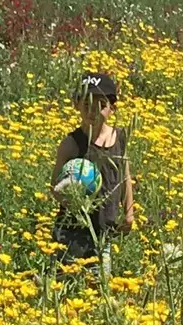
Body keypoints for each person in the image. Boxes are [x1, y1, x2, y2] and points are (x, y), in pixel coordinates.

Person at [50, 72, 134, 264]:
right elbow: (55, 186)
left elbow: (124, 176)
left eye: (101, 106)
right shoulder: (71, 144)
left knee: (99, 285)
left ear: (112, 108)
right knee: (65, 283)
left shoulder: (119, 138)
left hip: (103, 232)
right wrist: (74, 204)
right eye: (87, 104)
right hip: (71, 232)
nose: (92, 111)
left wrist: (129, 213)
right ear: (76, 104)